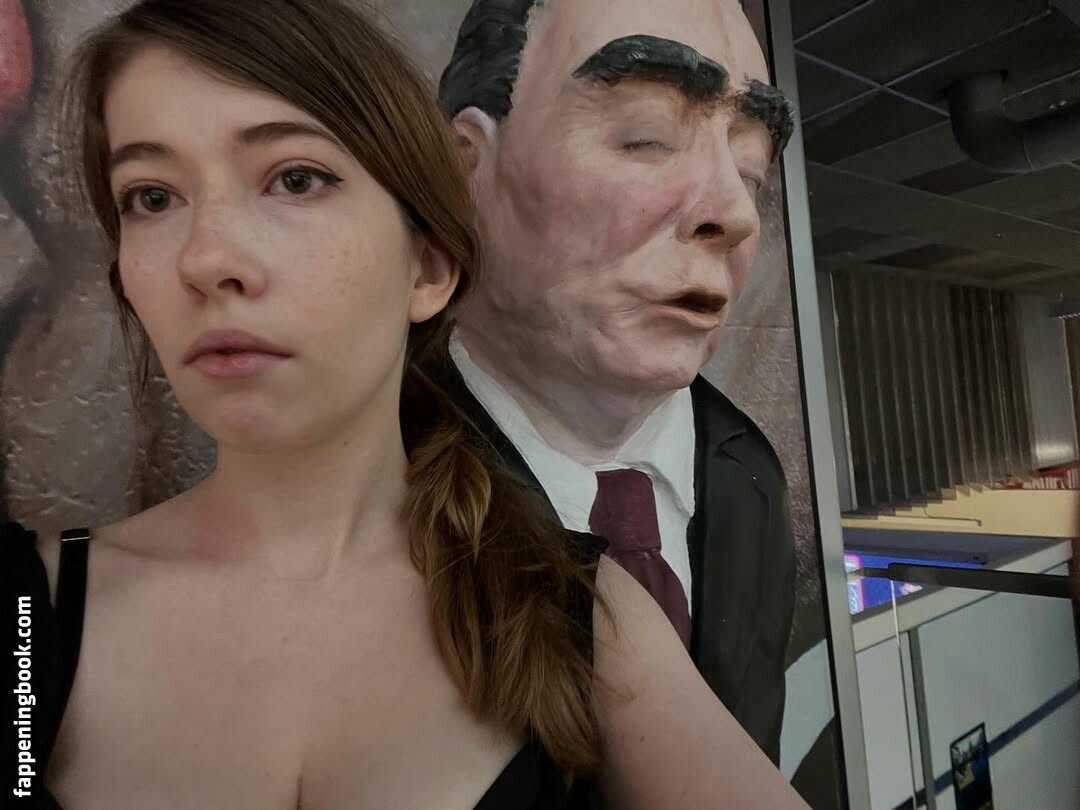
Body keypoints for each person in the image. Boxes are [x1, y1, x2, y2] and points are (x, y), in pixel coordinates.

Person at [1, 0, 811, 807]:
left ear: (428, 267)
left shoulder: (583, 612)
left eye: (295, 179)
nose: (207, 259)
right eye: (151, 197)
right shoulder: (27, 617)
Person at [431, 0, 798, 764]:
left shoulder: (749, 474)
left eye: (751, 168)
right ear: (467, 170)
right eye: (646, 137)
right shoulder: (365, 491)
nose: (734, 212)